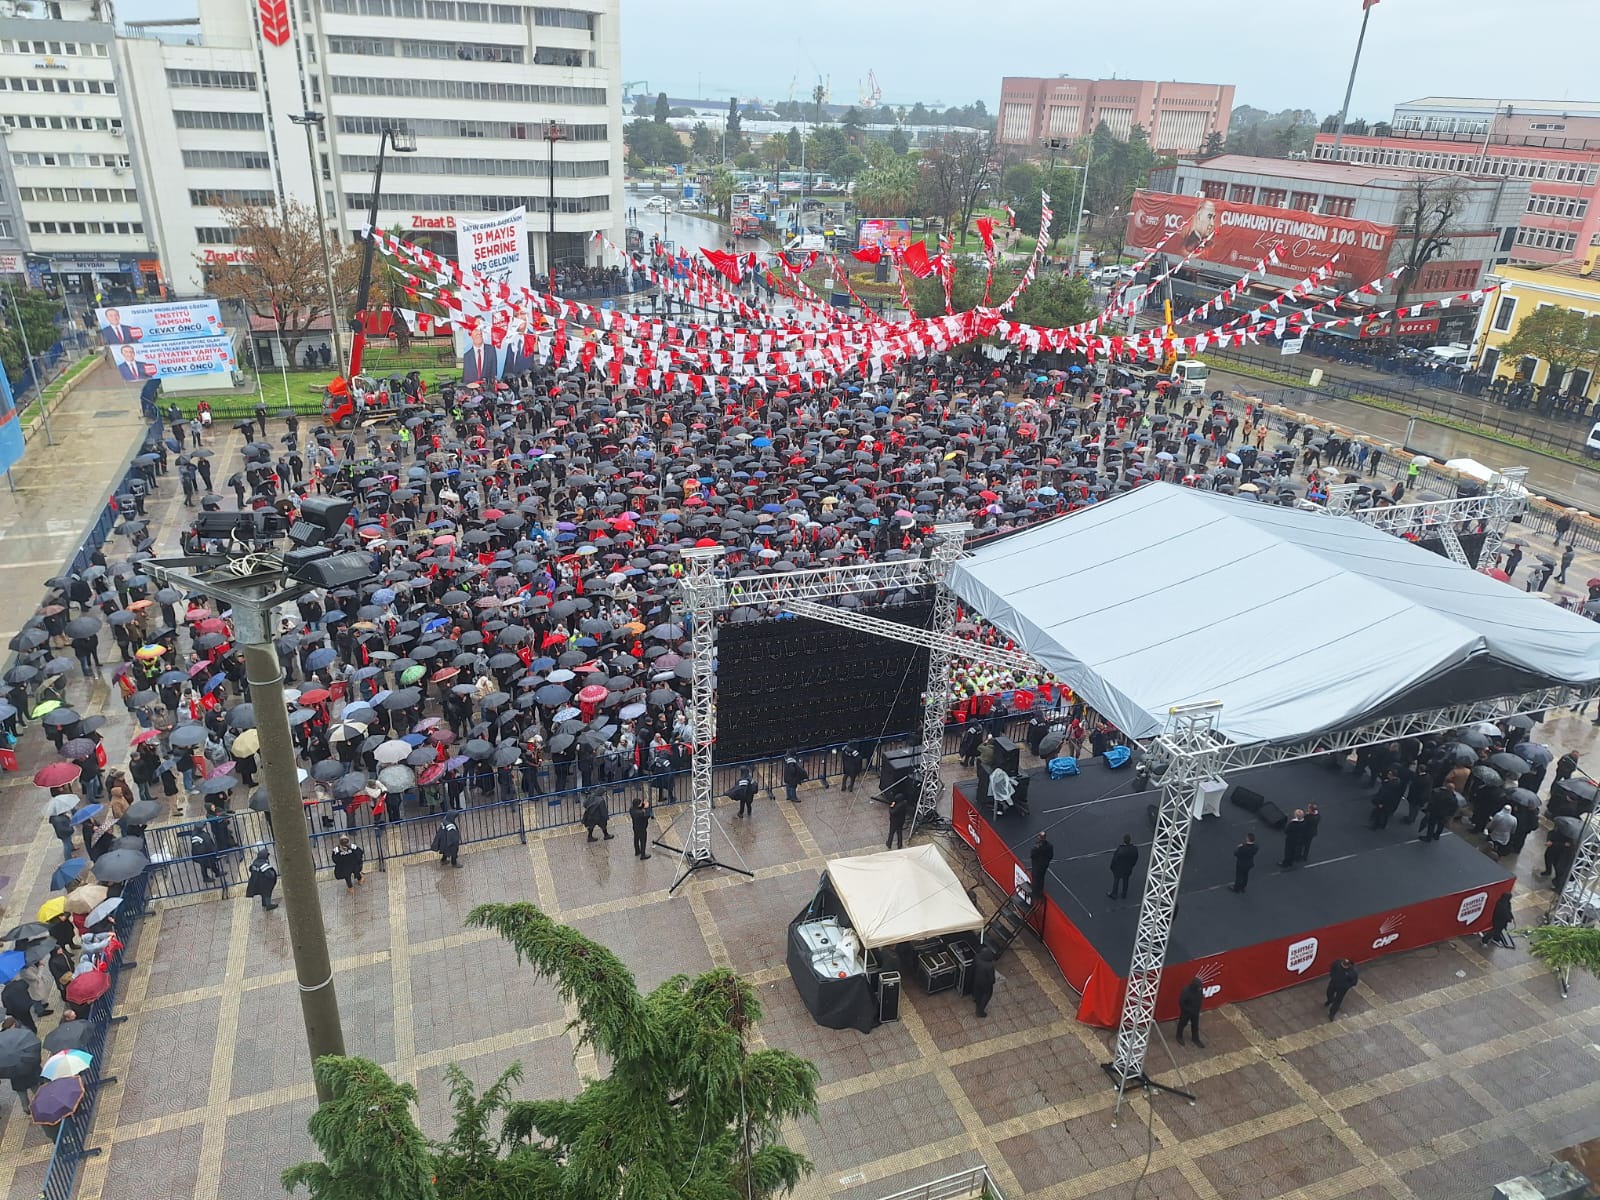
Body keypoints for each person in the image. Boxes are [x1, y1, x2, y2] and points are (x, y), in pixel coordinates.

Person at [1175, 975, 1205, 1047]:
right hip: (1187, 1012)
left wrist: (1198, 1008)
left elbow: (1201, 997)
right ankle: (1179, 1036)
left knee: (1195, 1025)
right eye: (1198, 987)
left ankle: (1195, 1039)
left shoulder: (1199, 989)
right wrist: (1186, 1010)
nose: (1199, 988)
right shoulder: (1186, 991)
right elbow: (1181, 1002)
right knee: (1182, 1023)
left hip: (1195, 1011)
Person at [1108, 833, 1138, 900]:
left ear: (1124, 840)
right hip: (1128, 868)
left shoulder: (1120, 849)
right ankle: (1124, 894)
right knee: (1126, 880)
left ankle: (1114, 894)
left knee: (1116, 880)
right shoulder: (1134, 849)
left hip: (1119, 868)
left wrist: (1112, 866)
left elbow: (1115, 859)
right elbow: (1135, 859)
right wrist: (1131, 866)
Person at [970, 946, 996, 1018]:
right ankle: (980, 1011)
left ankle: (977, 1001)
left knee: (977, 992)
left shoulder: (977, 958)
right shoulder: (990, 965)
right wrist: (992, 982)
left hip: (977, 979)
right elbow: (991, 978)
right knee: (986, 995)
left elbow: (972, 967)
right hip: (986, 984)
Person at [630, 795, 652, 860]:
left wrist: (643, 805)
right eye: (640, 803)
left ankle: (637, 851)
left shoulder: (632, 809)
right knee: (643, 841)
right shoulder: (640, 813)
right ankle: (643, 855)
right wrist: (647, 807)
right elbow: (647, 815)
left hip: (635, 827)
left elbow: (639, 808)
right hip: (642, 828)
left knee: (636, 839)